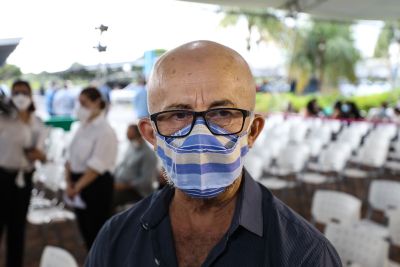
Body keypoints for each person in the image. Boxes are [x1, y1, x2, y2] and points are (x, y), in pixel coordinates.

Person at [86, 41, 341, 266]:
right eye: (178, 115)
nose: (200, 136)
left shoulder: (305, 256)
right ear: (151, 135)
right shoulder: (115, 240)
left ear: (252, 131)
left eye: (222, 113)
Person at [0, 80, 47, 267]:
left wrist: (38, 155)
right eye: (16, 92)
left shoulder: (38, 123)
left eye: (24, 92)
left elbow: (43, 154)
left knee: (17, 227)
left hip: (25, 177)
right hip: (2, 177)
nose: (20, 96)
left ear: (30, 95)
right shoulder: (3, 119)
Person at [65, 87, 118, 250]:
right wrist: (69, 183)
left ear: (97, 103)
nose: (80, 108)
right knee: (86, 232)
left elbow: (97, 167)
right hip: (77, 183)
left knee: (98, 233)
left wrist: (76, 187)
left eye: (84, 103)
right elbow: (69, 157)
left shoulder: (105, 131)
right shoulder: (82, 127)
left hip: (95, 185)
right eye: (78, 103)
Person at [113, 124, 158, 209]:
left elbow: (146, 181)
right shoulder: (131, 147)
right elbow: (122, 165)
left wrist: (124, 186)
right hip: (120, 184)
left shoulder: (148, 154)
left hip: (136, 191)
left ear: (140, 134)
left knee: (109, 196)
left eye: (131, 134)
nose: (127, 135)